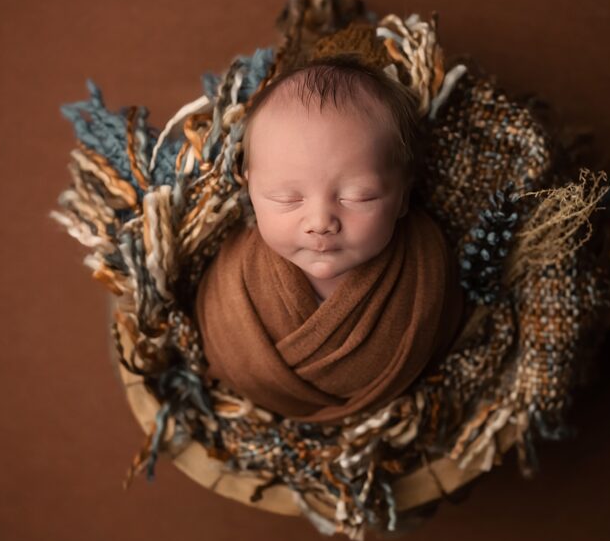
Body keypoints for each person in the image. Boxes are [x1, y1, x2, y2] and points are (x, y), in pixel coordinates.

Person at [195, 56, 465, 424]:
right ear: (249, 190)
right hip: (249, 413)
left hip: (387, 419)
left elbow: (446, 340)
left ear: (402, 197)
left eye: (358, 197)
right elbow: (215, 341)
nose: (320, 222)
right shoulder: (235, 277)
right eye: (286, 198)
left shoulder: (424, 269)